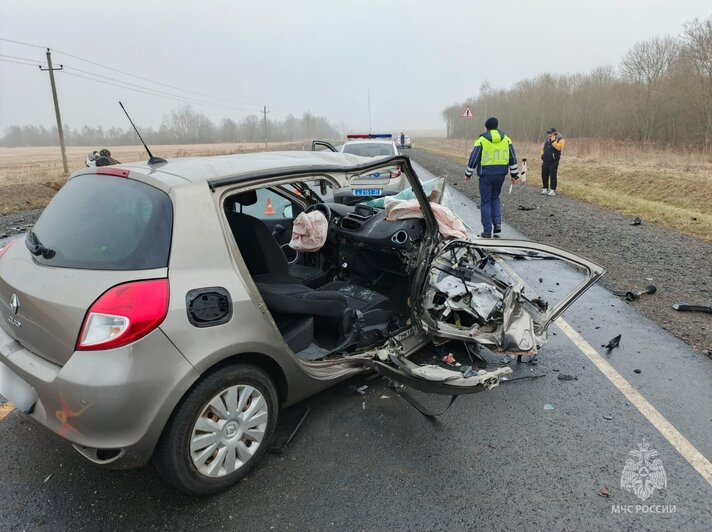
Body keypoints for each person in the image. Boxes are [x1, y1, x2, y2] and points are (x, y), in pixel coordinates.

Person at [464, 117, 519, 238]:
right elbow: (513, 158)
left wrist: (468, 174)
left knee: (485, 201)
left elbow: (474, 158)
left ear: (486, 127)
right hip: (501, 174)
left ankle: (487, 230)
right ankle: (497, 223)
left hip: (486, 175)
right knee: (495, 198)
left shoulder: (482, 140)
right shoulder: (506, 139)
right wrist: (514, 175)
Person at [540, 128, 565, 196]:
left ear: (554, 133)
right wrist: (542, 154)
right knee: (544, 174)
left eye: (551, 133)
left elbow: (559, 148)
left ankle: (553, 190)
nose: (549, 134)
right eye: (548, 133)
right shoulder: (546, 140)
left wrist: (553, 141)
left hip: (554, 161)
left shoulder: (560, 139)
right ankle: (545, 188)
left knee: (553, 175)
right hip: (545, 160)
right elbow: (542, 148)